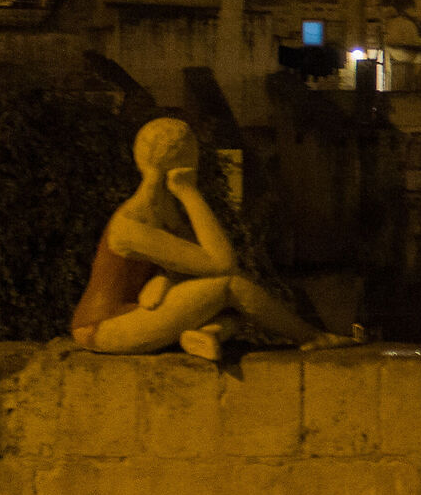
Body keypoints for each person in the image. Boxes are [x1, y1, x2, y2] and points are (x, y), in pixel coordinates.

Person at [71, 117, 337, 358]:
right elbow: (222, 264)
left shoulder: (161, 213)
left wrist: (165, 279)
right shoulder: (130, 223)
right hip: (101, 327)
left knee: (239, 308)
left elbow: (197, 265)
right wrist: (188, 192)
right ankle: (311, 337)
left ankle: (207, 335)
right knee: (231, 287)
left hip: (131, 313)